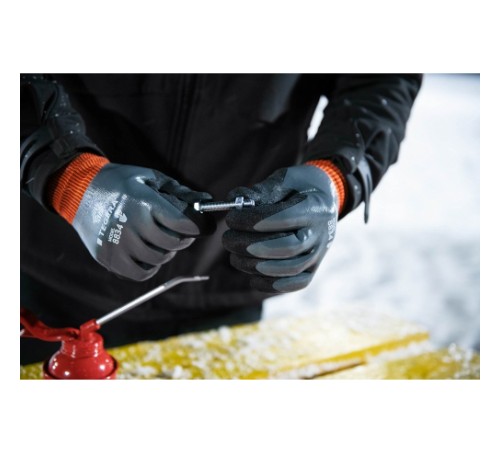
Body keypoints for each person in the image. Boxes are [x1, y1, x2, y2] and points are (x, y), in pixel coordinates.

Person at [20, 74, 422, 364]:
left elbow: (382, 78)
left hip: (229, 285)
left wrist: (336, 175)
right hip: (49, 283)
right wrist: (67, 177)